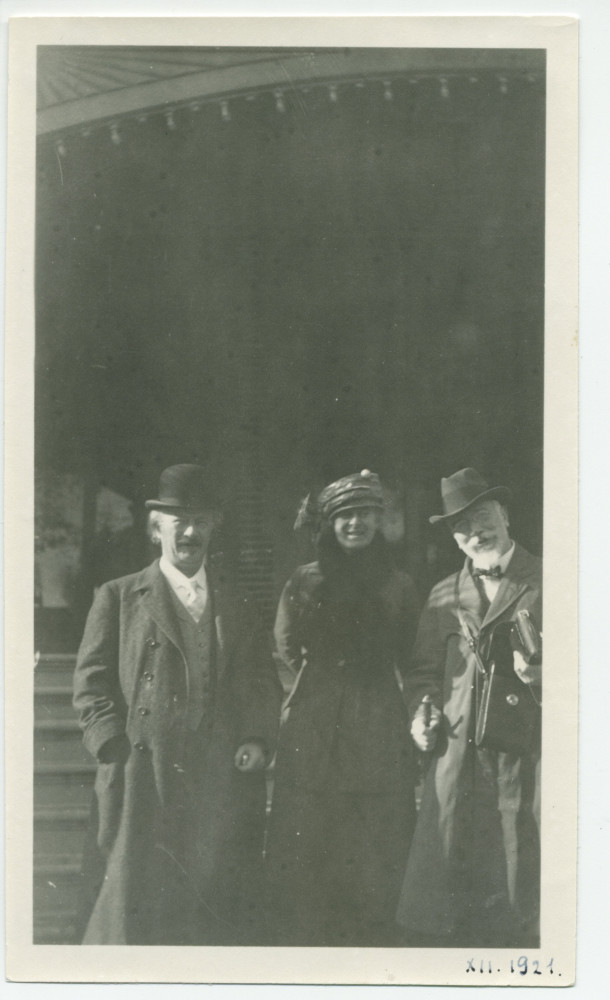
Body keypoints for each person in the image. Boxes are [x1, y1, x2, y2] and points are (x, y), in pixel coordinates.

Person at [72, 464, 282, 944]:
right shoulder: (119, 596)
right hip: (142, 777)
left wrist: (256, 736)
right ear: (156, 529)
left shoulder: (238, 602)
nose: (190, 533)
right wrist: (111, 745)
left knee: (210, 911)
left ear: (213, 528)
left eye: (200, 521)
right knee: (135, 910)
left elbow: (261, 680)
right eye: (178, 521)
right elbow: (90, 682)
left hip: (219, 776)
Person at [264, 470, 420, 946]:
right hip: (314, 718)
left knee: (374, 829)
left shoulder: (398, 584)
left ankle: (372, 934)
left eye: (365, 513)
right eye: (346, 515)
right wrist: (317, 688)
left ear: (379, 520)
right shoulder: (305, 579)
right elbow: (285, 644)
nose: (356, 523)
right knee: (310, 825)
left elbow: (411, 653)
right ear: (330, 523)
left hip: (377, 718)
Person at [396, 467, 542, 948]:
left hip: (527, 752)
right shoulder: (442, 593)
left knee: (522, 862)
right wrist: (422, 711)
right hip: (458, 755)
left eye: (483, 518)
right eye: (462, 526)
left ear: (505, 516)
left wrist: (549, 676)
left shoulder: (551, 579)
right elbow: (423, 672)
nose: (475, 533)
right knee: (453, 880)